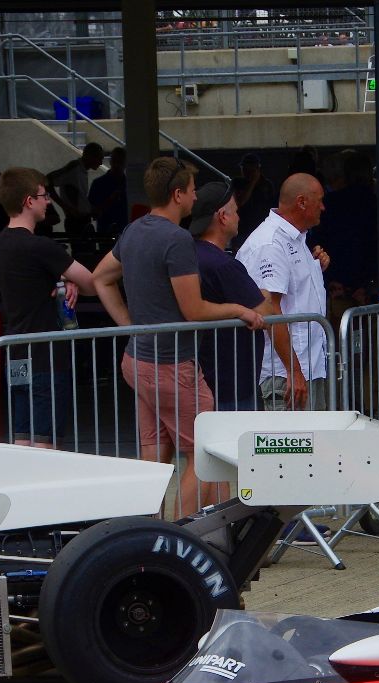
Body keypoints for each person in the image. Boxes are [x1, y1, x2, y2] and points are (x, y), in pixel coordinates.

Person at [92, 157, 265, 516]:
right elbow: (194, 310)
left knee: (154, 454)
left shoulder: (135, 230)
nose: (195, 197)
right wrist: (238, 309)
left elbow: (100, 278)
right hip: (172, 365)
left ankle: (147, 535)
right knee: (207, 455)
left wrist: (129, 324)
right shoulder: (176, 239)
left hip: (137, 360)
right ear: (177, 194)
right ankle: (180, 539)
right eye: (190, 190)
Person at [0, 166, 120, 447]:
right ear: (29, 201)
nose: (48, 201)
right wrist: (68, 278)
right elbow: (91, 282)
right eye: (44, 195)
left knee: (22, 438)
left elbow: (33, 278)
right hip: (46, 355)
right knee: (46, 442)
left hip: (16, 353)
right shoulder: (41, 247)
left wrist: (61, 278)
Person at [236, 173, 330, 410]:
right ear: (301, 202)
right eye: (319, 200)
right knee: (291, 446)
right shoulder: (271, 243)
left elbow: (293, 294)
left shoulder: (295, 239)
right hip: (286, 375)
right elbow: (270, 308)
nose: (323, 206)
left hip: (307, 367)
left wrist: (315, 266)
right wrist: (294, 371)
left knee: (313, 445)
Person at [185, 181, 269, 413]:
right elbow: (265, 310)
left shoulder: (188, 254)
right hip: (232, 382)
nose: (239, 217)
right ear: (223, 216)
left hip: (202, 375)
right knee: (236, 446)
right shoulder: (223, 265)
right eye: (236, 211)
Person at [312, 149, 379, 311]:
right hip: (368, 287)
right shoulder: (376, 204)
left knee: (338, 332)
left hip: (338, 285)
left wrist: (330, 279)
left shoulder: (331, 202)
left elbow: (319, 243)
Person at [45, 142, 103, 237]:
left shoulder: (82, 170)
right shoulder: (75, 168)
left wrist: (90, 209)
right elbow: (47, 180)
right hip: (76, 222)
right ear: (89, 156)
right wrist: (65, 206)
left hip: (83, 220)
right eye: (99, 158)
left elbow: (78, 197)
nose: (100, 163)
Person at [231, 153, 274, 246]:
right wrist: (252, 183)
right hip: (242, 230)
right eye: (244, 169)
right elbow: (240, 202)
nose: (246, 172)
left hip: (261, 229)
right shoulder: (238, 183)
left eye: (249, 170)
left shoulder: (266, 185)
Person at [88, 146, 129, 238]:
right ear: (110, 162)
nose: (117, 165)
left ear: (125, 163)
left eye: (120, 162)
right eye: (114, 161)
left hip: (124, 230)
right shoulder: (98, 184)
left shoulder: (130, 185)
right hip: (105, 232)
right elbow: (92, 210)